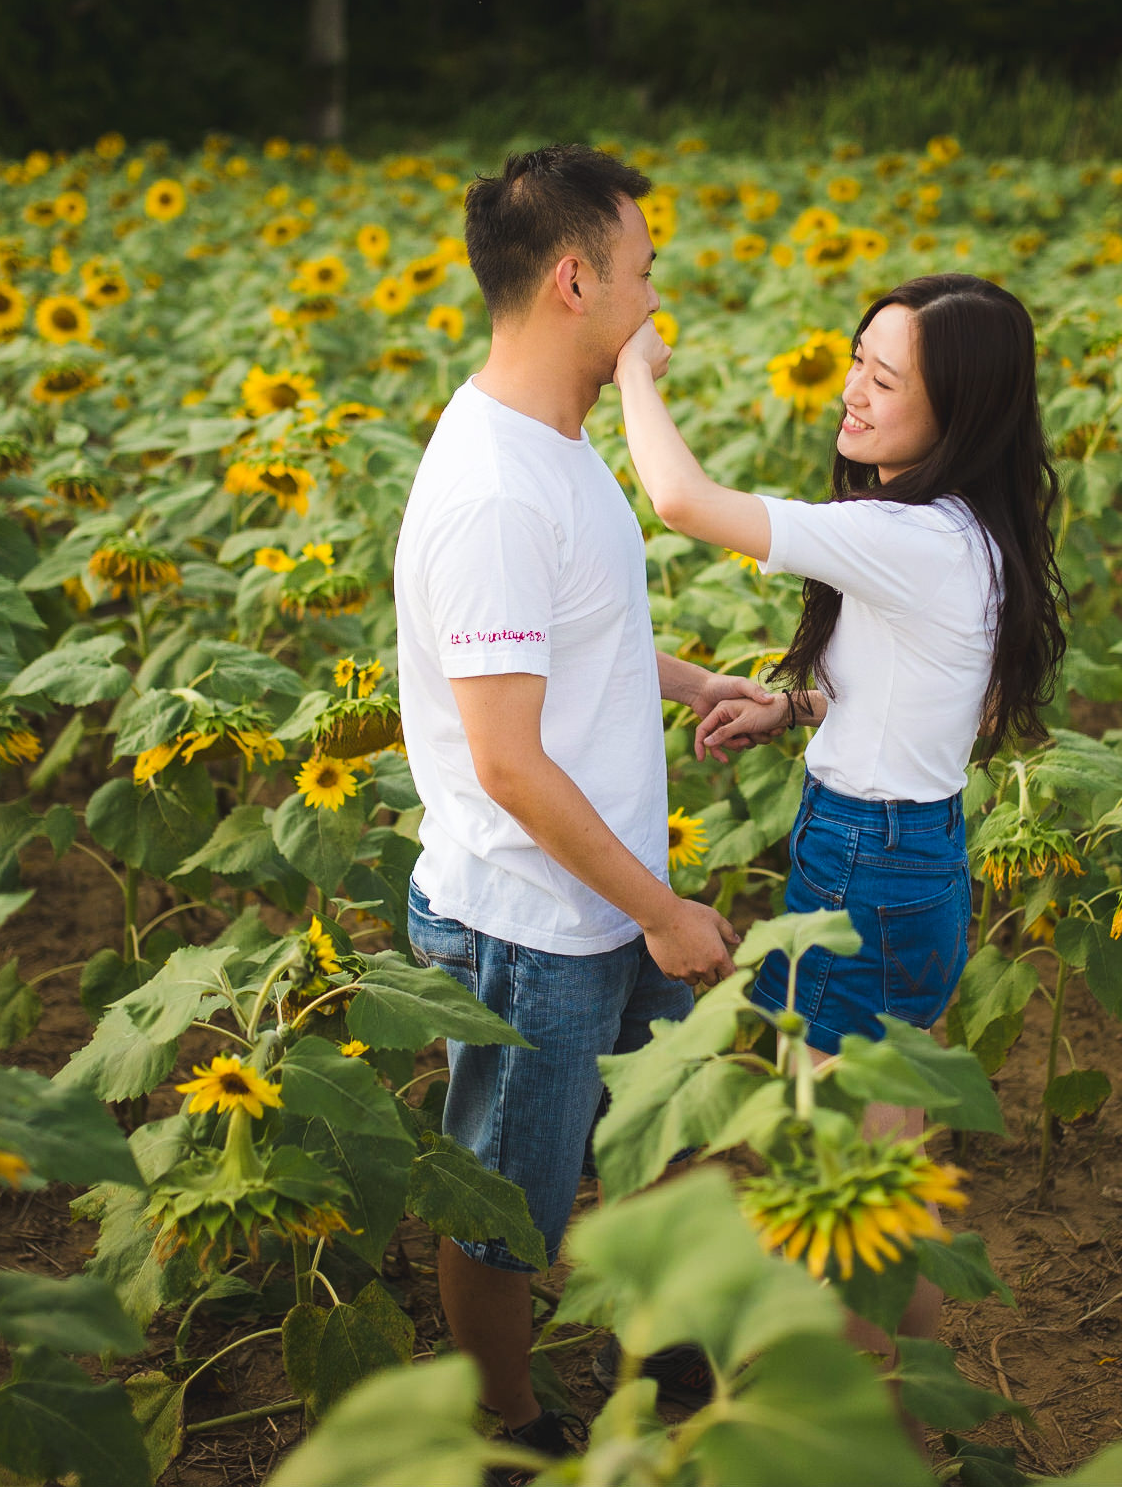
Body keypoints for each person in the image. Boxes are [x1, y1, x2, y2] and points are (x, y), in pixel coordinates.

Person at [392, 144, 772, 1466]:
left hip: (597, 897)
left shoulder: (553, 439)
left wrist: (687, 680)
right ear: (575, 280)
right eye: (644, 273)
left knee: (653, 1135)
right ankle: (506, 1421)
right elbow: (505, 756)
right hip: (537, 920)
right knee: (509, 1200)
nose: (655, 300)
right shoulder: (496, 489)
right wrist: (661, 907)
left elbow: (572, 642)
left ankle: (656, 1329)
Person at [612, 273, 1067, 1355]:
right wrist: (797, 706)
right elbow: (926, 698)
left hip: (865, 868)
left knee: (848, 1184)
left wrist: (629, 362)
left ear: (960, 415)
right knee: (874, 1160)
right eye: (855, 359)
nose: (851, 392)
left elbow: (679, 499)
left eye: (885, 377)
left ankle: (865, 1421)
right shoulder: (958, 530)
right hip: (907, 856)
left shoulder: (915, 539)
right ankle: (884, 1415)